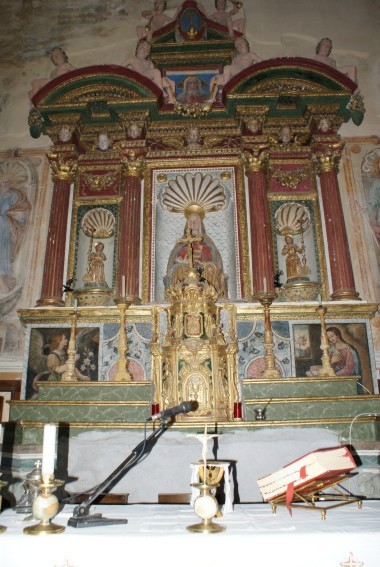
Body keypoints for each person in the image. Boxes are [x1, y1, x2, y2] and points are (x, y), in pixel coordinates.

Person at [164, 206, 227, 296]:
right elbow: (176, 259)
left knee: (210, 269)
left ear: (200, 224)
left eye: (196, 221)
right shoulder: (182, 242)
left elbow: (212, 258)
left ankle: (208, 295)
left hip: (202, 267)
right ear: (187, 224)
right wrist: (184, 261)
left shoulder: (207, 241)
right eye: (191, 221)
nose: (193, 223)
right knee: (178, 270)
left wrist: (204, 262)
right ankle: (179, 295)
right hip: (186, 268)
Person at [0, 173, 31, 295]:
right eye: (3, 181)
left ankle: (2, 282)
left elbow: (23, 213)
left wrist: (14, 216)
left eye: (8, 181)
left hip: (5, 228)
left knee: (2, 252)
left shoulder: (15, 195)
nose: (5, 183)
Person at [326, 327, 363, 392]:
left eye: (332, 336)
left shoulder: (349, 349)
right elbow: (328, 363)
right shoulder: (331, 349)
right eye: (329, 338)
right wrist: (332, 362)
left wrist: (335, 375)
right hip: (333, 373)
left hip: (345, 377)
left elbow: (349, 368)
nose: (331, 339)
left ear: (338, 335)